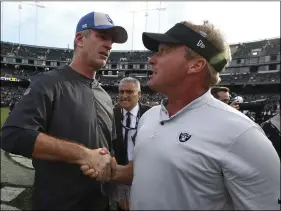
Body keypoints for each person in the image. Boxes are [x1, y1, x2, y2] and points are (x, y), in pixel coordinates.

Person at [82, 21, 280, 210]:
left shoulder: (242, 134)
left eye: (164, 51)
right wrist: (111, 170)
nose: (152, 59)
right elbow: (145, 171)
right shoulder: (149, 117)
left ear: (196, 65)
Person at [1, 11, 127, 210]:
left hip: (100, 204)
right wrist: (83, 154)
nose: (109, 45)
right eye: (102, 36)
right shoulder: (48, 83)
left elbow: (106, 148)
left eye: (111, 40)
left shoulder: (104, 95)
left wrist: (111, 171)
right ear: (79, 39)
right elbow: (12, 134)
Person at [111, 77, 151, 210]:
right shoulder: (112, 114)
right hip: (122, 173)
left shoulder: (151, 114)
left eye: (129, 92)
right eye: (121, 92)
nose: (124, 96)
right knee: (123, 207)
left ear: (139, 94)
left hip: (146, 173)